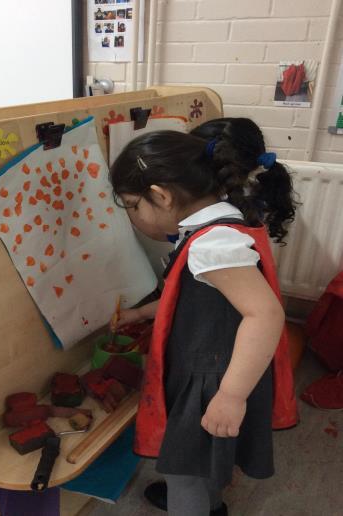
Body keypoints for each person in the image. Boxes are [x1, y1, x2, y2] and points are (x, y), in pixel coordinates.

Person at [109, 118, 299, 516]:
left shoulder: (211, 244)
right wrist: (141, 312)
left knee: (183, 471)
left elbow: (265, 314)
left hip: (215, 379)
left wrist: (231, 395)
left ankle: (195, 506)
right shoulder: (219, 225)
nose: (132, 216)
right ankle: (211, 505)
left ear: (160, 196)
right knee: (205, 459)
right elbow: (188, 295)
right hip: (212, 366)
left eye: (131, 205)